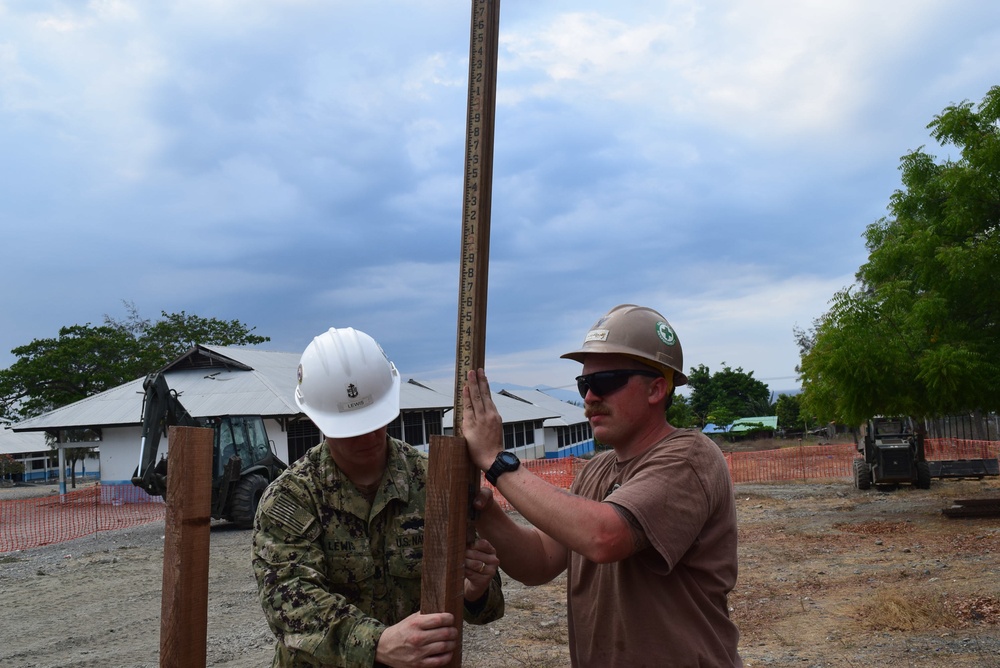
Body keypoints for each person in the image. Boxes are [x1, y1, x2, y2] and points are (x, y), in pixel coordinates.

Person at [462, 304, 743, 667]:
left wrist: (497, 462)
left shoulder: (690, 458)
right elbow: (540, 561)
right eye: (584, 384)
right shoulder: (596, 470)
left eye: (606, 382)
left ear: (657, 388)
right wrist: (483, 510)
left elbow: (605, 536)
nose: (589, 397)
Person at [252, 327, 504, 668]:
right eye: (351, 427)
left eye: (375, 419)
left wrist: (473, 590)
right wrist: (377, 643)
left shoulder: (436, 484)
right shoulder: (291, 499)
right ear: (317, 419)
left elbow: (484, 606)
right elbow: (288, 601)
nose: (369, 434)